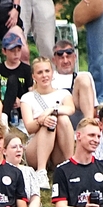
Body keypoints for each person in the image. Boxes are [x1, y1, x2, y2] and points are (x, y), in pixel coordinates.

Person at [20, 56, 75, 187]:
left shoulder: (63, 93)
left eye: (47, 71)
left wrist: (51, 110)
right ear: (34, 76)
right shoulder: (27, 97)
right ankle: (41, 171)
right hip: (36, 149)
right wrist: (41, 121)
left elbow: (70, 109)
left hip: (58, 150)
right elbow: (29, 128)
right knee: (49, 122)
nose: (44, 75)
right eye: (40, 72)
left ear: (52, 73)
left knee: (62, 118)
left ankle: (71, 166)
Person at [0, 33, 33, 129]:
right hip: (4, 105)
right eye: (12, 51)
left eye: (18, 50)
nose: (16, 54)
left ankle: (5, 116)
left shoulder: (26, 69)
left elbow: (31, 92)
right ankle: (4, 116)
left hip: (22, 106)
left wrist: (21, 102)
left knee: (13, 79)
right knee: (11, 79)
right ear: (4, 51)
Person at [51, 39, 97, 123]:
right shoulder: (49, 78)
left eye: (68, 57)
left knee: (83, 78)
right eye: (61, 58)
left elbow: (94, 109)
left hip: (80, 118)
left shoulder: (84, 76)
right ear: (54, 60)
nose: (65, 61)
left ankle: (88, 124)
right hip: (58, 120)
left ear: (75, 57)